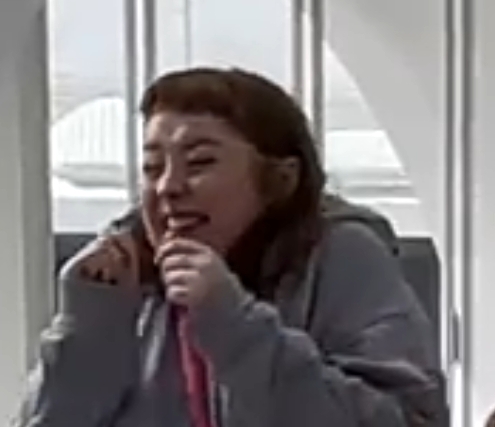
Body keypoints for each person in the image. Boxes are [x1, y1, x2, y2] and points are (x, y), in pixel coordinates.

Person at [17, 67, 446, 427]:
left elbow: (411, 420)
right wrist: (88, 333)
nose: (168, 187)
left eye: (200, 162)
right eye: (152, 167)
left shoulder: (342, 256)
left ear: (279, 180)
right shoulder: (126, 278)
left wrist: (237, 328)